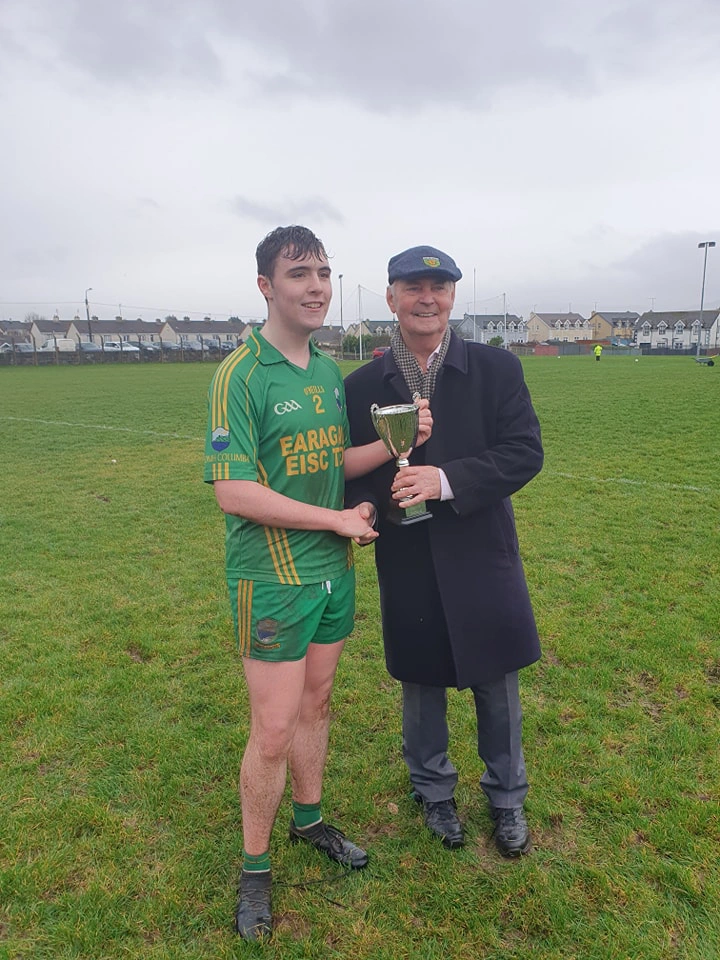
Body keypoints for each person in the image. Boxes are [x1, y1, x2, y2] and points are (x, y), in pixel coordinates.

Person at [204, 226, 418, 940]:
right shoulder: (241, 373)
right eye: (299, 273)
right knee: (271, 730)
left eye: (324, 271)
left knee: (318, 704)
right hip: (271, 579)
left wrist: (395, 445)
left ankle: (311, 821)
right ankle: (255, 870)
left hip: (333, 569)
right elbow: (234, 493)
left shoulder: (326, 371)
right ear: (266, 286)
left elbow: (333, 464)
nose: (317, 285)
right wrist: (333, 518)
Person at [344, 245, 543, 857]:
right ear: (391, 298)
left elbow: (523, 453)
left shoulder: (495, 368)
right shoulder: (361, 385)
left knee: (495, 679)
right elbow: (355, 471)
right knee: (421, 679)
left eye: (439, 286)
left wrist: (445, 480)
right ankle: (433, 792)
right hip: (407, 551)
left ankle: (507, 796)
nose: (427, 297)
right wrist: (370, 505)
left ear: (453, 296)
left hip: (480, 548)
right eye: (413, 287)